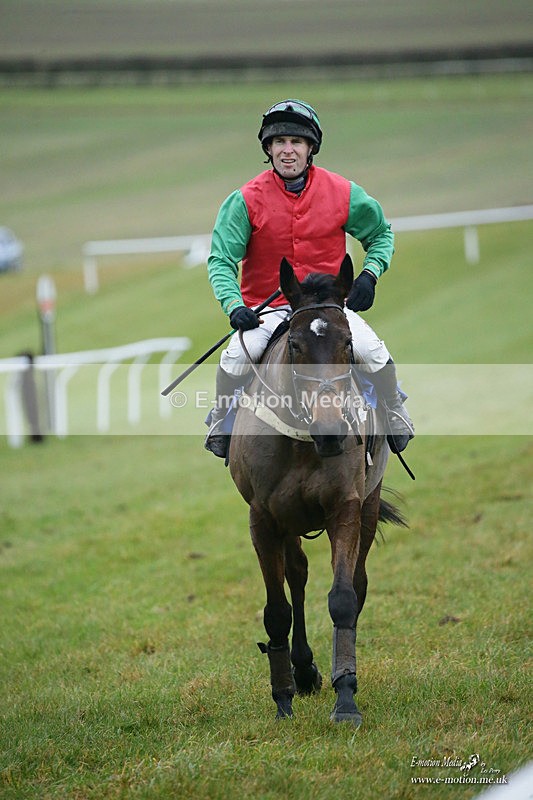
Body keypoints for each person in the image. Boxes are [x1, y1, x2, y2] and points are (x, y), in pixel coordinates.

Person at [205, 99, 414, 459]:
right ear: (268, 149)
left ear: (310, 148)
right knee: (237, 356)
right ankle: (222, 421)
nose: (288, 151)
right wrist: (235, 305)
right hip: (268, 311)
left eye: (296, 143)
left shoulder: (344, 192)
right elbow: (220, 260)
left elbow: (381, 234)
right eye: (280, 142)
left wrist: (369, 274)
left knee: (372, 351)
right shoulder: (243, 201)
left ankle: (395, 412)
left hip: (328, 306)